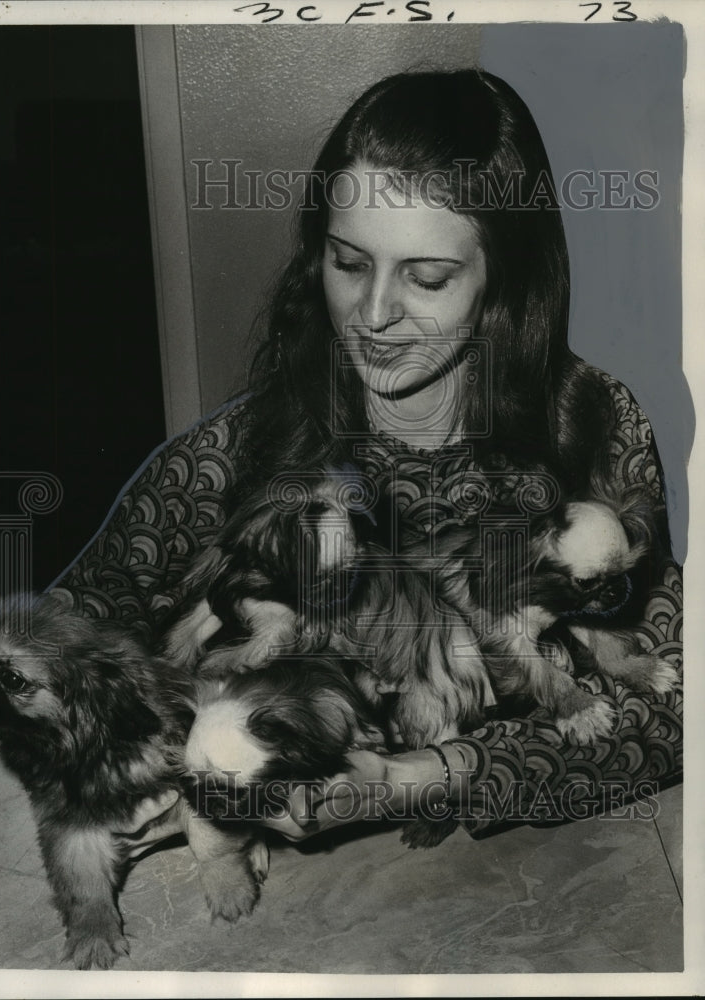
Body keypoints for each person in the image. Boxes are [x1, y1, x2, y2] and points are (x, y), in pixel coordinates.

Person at [50, 69, 682, 846]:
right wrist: (155, 765)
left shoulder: (595, 426)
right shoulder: (226, 454)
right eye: (348, 263)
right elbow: (33, 659)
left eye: (427, 277)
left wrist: (425, 779)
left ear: (504, 282)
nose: (374, 314)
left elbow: (678, 704)